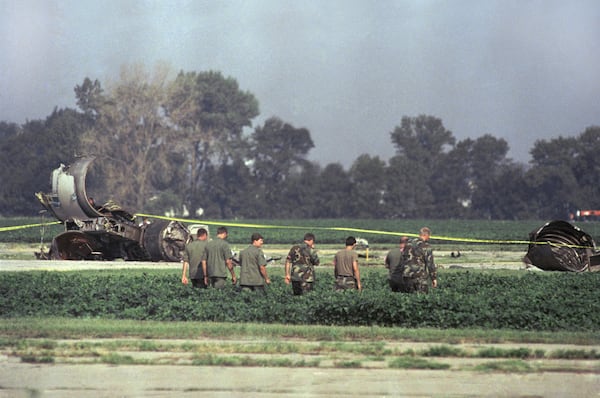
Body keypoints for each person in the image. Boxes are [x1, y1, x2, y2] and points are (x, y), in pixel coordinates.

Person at [400, 227, 438, 293]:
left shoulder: (408, 244)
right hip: (419, 276)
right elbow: (430, 264)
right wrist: (433, 278)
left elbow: (402, 258)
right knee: (421, 298)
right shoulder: (426, 246)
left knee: (407, 298)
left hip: (407, 276)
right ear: (427, 235)